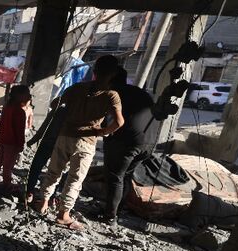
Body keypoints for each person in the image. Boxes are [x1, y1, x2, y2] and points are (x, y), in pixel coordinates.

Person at [33, 55, 124, 230]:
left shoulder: (77, 88)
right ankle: (63, 215)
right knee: (75, 179)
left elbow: (54, 104)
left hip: (65, 136)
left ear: (95, 71)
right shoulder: (111, 95)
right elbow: (119, 122)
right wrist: (102, 131)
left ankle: (43, 203)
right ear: (113, 74)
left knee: (53, 172)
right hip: (86, 141)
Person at [97, 67, 155, 224]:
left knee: (115, 177)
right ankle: (116, 211)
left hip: (125, 142)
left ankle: (109, 217)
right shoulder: (141, 93)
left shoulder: (113, 93)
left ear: (109, 79)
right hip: (148, 143)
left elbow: (102, 117)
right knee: (126, 176)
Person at [0, 84, 31, 193]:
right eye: (27, 94)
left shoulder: (7, 108)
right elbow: (19, 131)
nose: (29, 96)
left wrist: (0, 138)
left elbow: (2, 124)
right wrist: (21, 144)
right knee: (8, 165)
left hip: (3, 139)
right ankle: (7, 184)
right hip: (12, 143)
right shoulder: (20, 112)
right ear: (20, 96)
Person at [24, 103, 68, 202]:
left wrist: (33, 141)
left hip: (49, 143)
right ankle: (50, 197)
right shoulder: (73, 113)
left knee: (36, 167)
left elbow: (44, 128)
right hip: (59, 146)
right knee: (56, 173)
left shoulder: (59, 109)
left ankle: (29, 192)